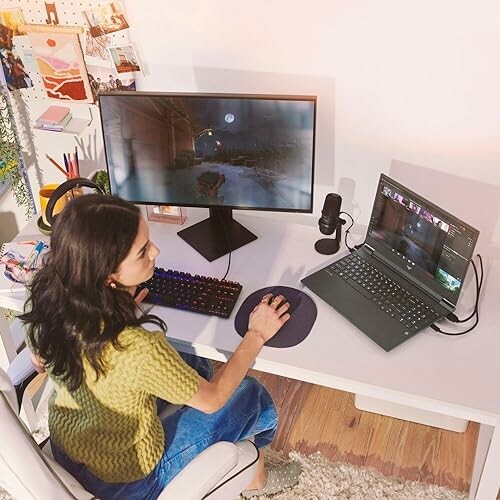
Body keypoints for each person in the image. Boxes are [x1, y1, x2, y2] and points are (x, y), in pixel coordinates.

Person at [20, 194, 301, 499]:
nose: (155, 251)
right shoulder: (135, 346)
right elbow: (213, 399)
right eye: (142, 252)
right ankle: (256, 478)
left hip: (67, 447)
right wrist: (256, 335)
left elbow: (38, 360)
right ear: (108, 275)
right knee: (252, 395)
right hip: (128, 480)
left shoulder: (45, 296)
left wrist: (116, 307)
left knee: (193, 363)